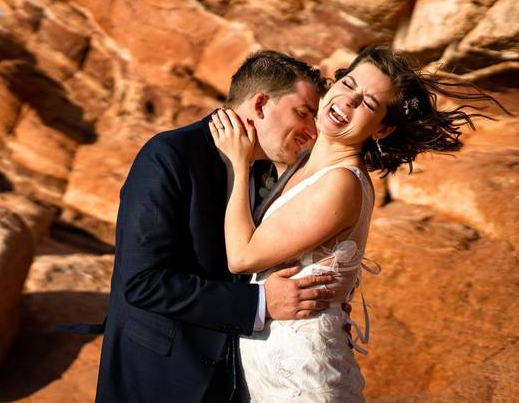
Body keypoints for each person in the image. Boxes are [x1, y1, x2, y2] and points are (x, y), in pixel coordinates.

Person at [210, 45, 503, 402]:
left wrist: (238, 165)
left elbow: (242, 256)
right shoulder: (301, 163)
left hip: (304, 377)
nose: (348, 101)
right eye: (348, 84)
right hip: (267, 368)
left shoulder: (342, 183)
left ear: (382, 129)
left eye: (367, 103)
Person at [93, 51, 338, 403]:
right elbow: (142, 282)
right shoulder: (168, 155)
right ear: (259, 105)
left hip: (238, 380)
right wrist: (259, 303)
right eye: (302, 112)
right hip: (160, 378)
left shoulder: (266, 169)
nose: (312, 130)